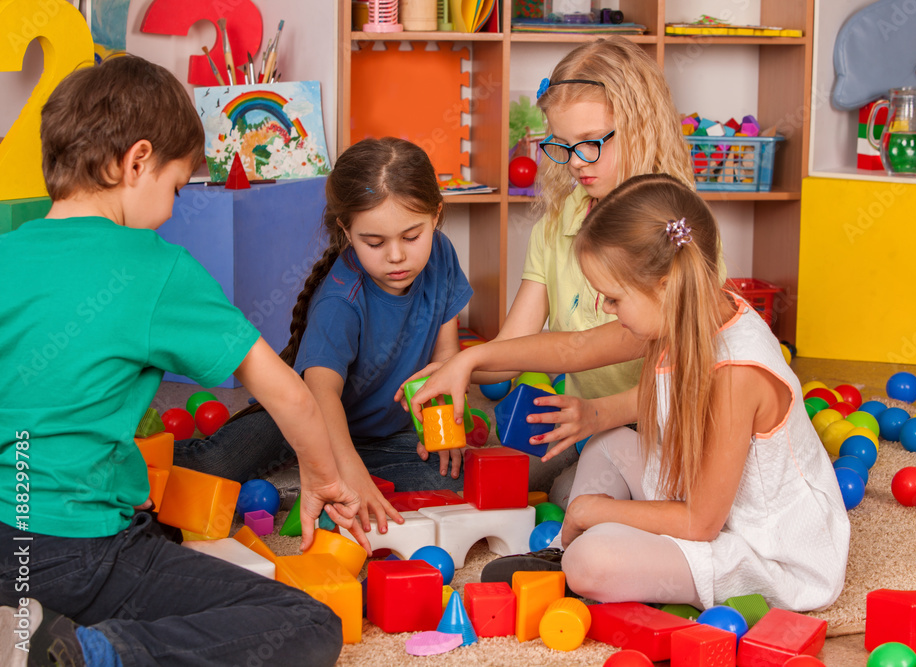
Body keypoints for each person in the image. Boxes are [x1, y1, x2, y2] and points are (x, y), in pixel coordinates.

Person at [0, 56, 368, 667]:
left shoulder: (7, 252)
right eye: (174, 187)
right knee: (306, 622)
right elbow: (289, 394)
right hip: (74, 551)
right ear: (135, 162)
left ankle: (23, 622)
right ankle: (79, 655)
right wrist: (324, 479)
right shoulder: (154, 268)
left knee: (150, 530)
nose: (173, 210)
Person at [409, 174, 849, 611]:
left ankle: (580, 555)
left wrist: (594, 510)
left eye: (614, 299)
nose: (605, 308)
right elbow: (574, 347)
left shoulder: (735, 374)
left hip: (764, 549)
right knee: (607, 443)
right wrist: (468, 360)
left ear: (665, 286)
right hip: (706, 500)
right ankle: (578, 548)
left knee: (592, 561)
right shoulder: (683, 309)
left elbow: (701, 522)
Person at [174, 137, 473, 535]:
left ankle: (310, 481)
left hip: (380, 434)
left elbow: (445, 359)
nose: (396, 256)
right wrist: (346, 468)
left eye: (411, 236)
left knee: (454, 477)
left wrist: (443, 430)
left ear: (436, 215)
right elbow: (319, 392)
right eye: (374, 242)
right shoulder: (341, 299)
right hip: (303, 424)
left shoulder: (442, 255)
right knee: (214, 466)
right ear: (346, 230)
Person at [486, 36, 705, 505]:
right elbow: (509, 351)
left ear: (642, 127)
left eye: (591, 143)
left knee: (574, 497)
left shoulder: (678, 225)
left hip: (664, 427)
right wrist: (451, 370)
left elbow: (688, 374)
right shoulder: (555, 226)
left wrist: (598, 414)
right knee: (496, 470)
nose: (576, 163)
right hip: (586, 420)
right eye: (562, 146)